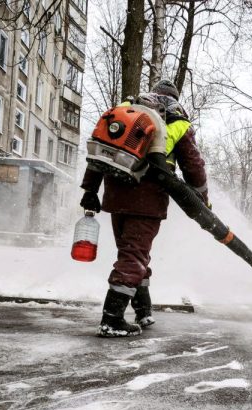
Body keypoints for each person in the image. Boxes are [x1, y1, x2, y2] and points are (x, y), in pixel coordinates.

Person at [79, 79, 209, 338]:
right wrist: (202, 201)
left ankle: (143, 310)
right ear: (174, 99)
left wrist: (90, 190)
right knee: (133, 257)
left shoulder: (125, 110)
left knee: (132, 253)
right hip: (148, 199)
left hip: (116, 193)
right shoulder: (178, 122)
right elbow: (194, 167)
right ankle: (112, 319)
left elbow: (101, 150)